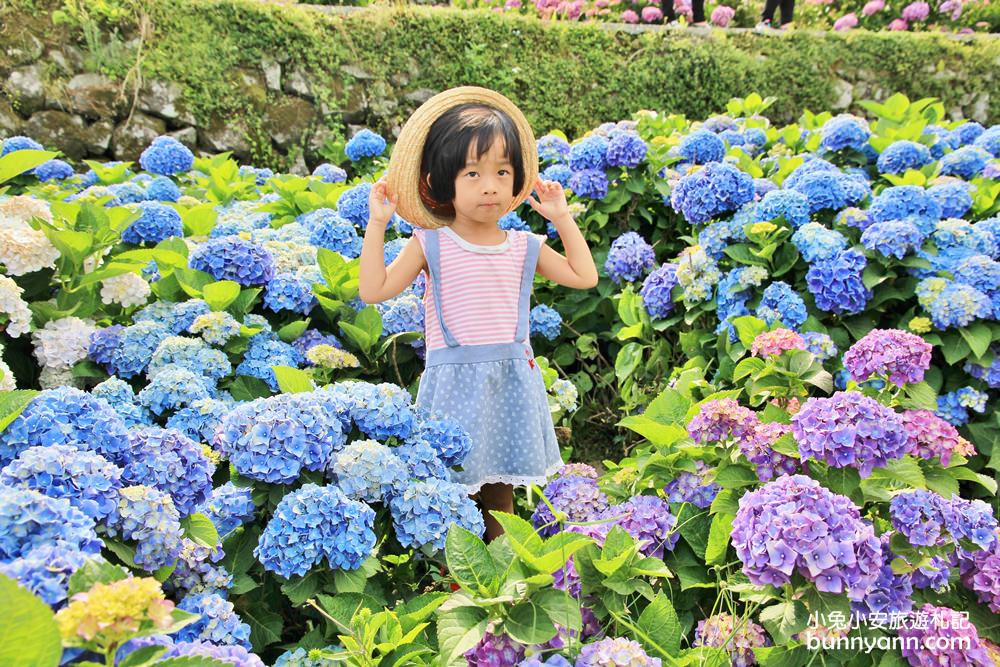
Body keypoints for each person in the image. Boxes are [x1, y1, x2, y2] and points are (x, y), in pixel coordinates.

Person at [358, 86, 599, 542]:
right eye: (472, 173)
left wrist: (561, 217)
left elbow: (583, 276)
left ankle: (504, 569)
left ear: (517, 180)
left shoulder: (523, 247)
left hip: (509, 381)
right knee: (452, 489)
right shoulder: (431, 243)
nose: (490, 185)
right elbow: (374, 290)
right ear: (440, 182)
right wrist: (377, 224)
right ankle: (459, 575)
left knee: (500, 493)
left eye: (502, 171)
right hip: (454, 385)